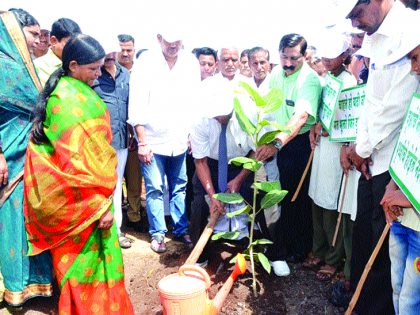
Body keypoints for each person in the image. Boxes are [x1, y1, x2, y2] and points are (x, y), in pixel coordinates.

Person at [24, 34, 134, 314]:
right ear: (73, 65)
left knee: (89, 270)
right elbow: (80, 168)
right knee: (83, 270)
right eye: (93, 69)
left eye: (100, 67)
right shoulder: (69, 100)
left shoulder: (71, 91)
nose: (99, 74)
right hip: (82, 206)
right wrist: (103, 206)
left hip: (81, 202)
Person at [339, 0, 420, 314]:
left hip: (397, 168)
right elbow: (372, 101)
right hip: (372, 160)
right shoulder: (375, 34)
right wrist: (362, 149)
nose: (357, 24)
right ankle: (359, 302)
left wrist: (361, 150)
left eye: (358, 13)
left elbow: (396, 105)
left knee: (386, 254)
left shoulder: (410, 30)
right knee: (364, 241)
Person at [255, 33, 322, 275]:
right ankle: (281, 243)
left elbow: (300, 116)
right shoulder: (275, 73)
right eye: (284, 57)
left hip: (297, 143)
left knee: (296, 197)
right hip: (277, 140)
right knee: (278, 194)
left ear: (304, 56)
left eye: (294, 58)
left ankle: (299, 249)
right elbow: (268, 106)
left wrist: (277, 144)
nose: (288, 63)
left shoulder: (309, 80)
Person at [128, 30, 200, 253]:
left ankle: (180, 230)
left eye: (178, 40)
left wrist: (191, 133)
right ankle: (158, 234)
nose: (174, 45)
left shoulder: (189, 62)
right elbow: (137, 104)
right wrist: (142, 141)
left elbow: (193, 101)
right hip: (152, 140)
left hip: (178, 139)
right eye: (169, 40)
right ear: (158, 37)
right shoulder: (145, 62)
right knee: (154, 188)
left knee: (180, 186)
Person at [0, 9, 53, 306]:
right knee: (11, 222)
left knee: (30, 219)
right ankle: (14, 287)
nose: (37, 40)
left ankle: (36, 284)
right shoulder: (2, 67)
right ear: (13, 33)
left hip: (31, 158)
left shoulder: (21, 65)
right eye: (32, 34)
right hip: (9, 158)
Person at [306, 34, 357, 282]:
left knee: (331, 203)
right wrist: (316, 127)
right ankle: (320, 249)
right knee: (317, 197)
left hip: (337, 149)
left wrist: (324, 130)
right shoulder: (327, 80)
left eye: (332, 54)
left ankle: (333, 259)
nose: (325, 59)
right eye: (323, 54)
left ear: (345, 55)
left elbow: (349, 121)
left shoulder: (348, 81)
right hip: (322, 148)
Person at [190, 73, 255, 267]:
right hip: (211, 163)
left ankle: (272, 254)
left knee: (260, 201)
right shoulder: (200, 119)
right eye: (216, 115)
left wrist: (240, 179)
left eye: (224, 114)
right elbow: (200, 161)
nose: (220, 118)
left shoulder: (248, 115)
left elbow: (256, 152)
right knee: (200, 206)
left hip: (243, 161)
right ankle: (200, 256)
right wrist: (213, 195)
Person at [92, 41, 131, 248]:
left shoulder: (126, 74)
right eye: (104, 51)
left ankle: (117, 230)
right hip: (100, 143)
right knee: (102, 185)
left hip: (122, 141)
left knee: (116, 186)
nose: (109, 55)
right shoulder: (93, 74)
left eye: (111, 51)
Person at [34, 18, 81, 87]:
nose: (74, 49)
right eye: (69, 44)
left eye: (77, 44)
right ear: (54, 41)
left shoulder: (80, 63)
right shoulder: (39, 66)